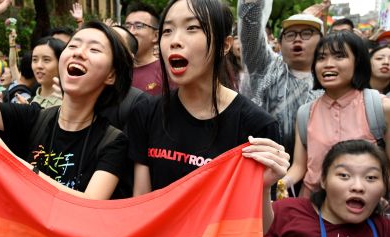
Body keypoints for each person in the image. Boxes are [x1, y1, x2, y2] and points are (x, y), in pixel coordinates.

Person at [0, 0, 133, 200]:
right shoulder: (32, 118)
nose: (78, 52)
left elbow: (89, 204)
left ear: (111, 75)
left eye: (94, 50)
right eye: (73, 45)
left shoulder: (112, 141)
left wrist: (12, 161)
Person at [127, 0, 288, 210]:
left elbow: (259, 228)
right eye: (167, 30)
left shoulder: (256, 126)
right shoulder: (145, 112)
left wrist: (264, 187)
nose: (175, 41)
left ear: (225, 45)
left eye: (192, 28)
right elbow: (140, 201)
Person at [280, 31, 390, 198]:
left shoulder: (381, 108)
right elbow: (299, 166)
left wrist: (378, 197)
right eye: (321, 58)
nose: (328, 64)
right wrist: (281, 183)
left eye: (339, 56)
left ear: (358, 62)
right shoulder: (305, 113)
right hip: (312, 209)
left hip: (363, 209)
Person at [264, 140, 390, 237]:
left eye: (371, 177)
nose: (358, 187)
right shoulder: (285, 212)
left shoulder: (384, 231)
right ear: (323, 180)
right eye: (344, 175)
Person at [238, 0, 324, 156]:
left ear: (322, 41)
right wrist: (251, 5)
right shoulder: (266, 68)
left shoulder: (332, 80)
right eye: (290, 34)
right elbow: (250, 32)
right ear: (280, 42)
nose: (297, 39)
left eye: (306, 33)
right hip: (262, 164)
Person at [124, 3, 164, 96]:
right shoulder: (117, 69)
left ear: (156, 36)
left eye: (139, 26)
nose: (131, 31)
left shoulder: (166, 71)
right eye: (127, 26)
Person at [27, 36, 65, 108]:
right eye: (35, 60)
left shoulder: (66, 104)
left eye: (46, 60)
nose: (39, 65)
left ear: (61, 63)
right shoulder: (28, 102)